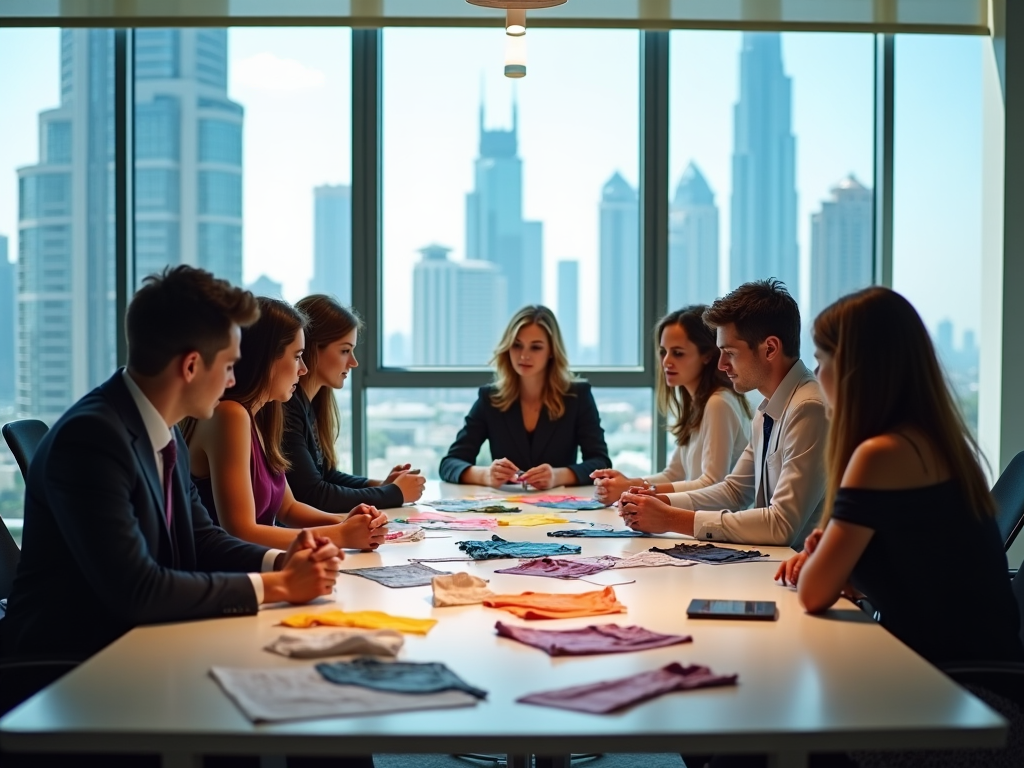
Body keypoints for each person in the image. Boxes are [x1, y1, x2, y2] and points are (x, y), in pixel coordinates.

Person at [0, 267, 342, 663]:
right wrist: (279, 585)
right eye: (229, 366)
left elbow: (202, 537)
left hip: (141, 644)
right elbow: (139, 591)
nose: (233, 382)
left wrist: (281, 560)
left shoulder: (162, 430)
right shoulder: (91, 439)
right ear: (191, 366)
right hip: (74, 664)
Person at [778, 287, 1023, 666]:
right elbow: (921, 571)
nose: (818, 375)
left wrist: (820, 563)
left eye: (821, 361)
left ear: (852, 369)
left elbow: (812, 594)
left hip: (964, 691)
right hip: (965, 672)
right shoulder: (936, 443)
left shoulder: (881, 454)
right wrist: (838, 565)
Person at [620, 279, 827, 546]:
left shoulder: (809, 408)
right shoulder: (768, 409)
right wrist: (658, 502)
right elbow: (735, 491)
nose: (721, 364)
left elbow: (781, 524)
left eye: (729, 352)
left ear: (771, 349)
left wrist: (672, 519)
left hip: (799, 574)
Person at [184, 297, 388, 552]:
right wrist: (340, 535)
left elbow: (289, 508)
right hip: (225, 576)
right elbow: (240, 531)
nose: (303, 370)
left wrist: (348, 522)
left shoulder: (263, 415)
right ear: (266, 357)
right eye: (297, 356)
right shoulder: (230, 414)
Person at [591, 306, 751, 505]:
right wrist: (629, 483)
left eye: (678, 353)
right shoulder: (698, 403)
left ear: (707, 356)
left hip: (717, 527)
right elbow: (673, 474)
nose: (666, 361)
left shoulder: (718, 403)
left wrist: (634, 489)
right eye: (663, 352)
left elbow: (712, 482)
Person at [439, 305, 610, 489]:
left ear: (552, 351)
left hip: (561, 508)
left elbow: (601, 463)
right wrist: (486, 475)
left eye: (535, 347)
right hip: (507, 507)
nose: (524, 355)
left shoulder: (577, 396)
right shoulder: (490, 398)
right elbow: (449, 464)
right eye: (516, 345)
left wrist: (557, 477)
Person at [282, 295, 425, 514]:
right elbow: (313, 494)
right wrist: (394, 493)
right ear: (311, 349)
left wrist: (382, 486)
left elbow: (327, 475)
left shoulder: (310, 403)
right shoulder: (288, 408)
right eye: (344, 350)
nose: (354, 362)